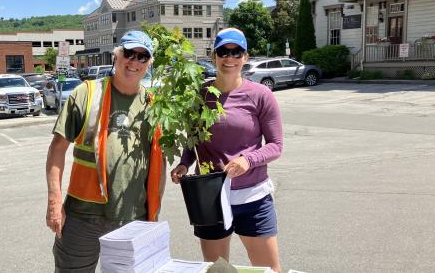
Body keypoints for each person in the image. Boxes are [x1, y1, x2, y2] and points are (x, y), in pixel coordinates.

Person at [45, 30, 166, 272]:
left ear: (149, 64)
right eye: (129, 54)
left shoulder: (154, 105)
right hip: (82, 216)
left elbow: (159, 163)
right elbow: (57, 150)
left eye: (143, 57)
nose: (134, 62)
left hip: (133, 217)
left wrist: (153, 214)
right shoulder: (87, 93)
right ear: (117, 56)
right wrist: (54, 202)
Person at [170, 28, 284, 273]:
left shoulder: (261, 95)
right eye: (223, 52)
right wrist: (184, 163)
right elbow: (193, 138)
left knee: (270, 270)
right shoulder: (200, 96)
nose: (229, 58)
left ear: (246, 57)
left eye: (236, 52)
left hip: (253, 198)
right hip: (210, 198)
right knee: (218, 270)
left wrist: (249, 159)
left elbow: (276, 146)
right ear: (214, 56)